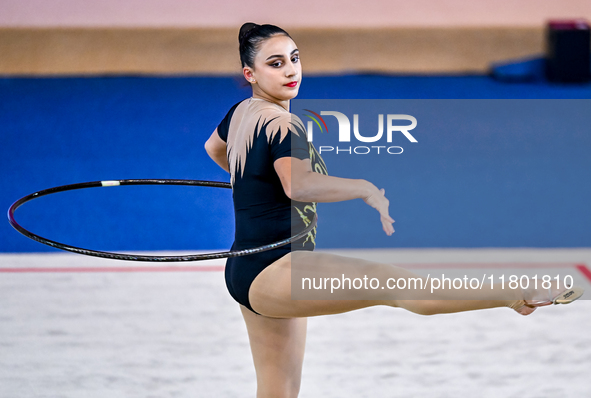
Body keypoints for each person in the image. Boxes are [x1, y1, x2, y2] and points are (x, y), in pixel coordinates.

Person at [204, 22, 584, 398]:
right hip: (277, 270)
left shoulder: (242, 112)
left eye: (294, 58)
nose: (290, 70)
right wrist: (363, 187)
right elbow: (298, 184)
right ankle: (515, 293)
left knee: (278, 392)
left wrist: (256, 186)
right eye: (275, 63)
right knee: (400, 285)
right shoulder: (286, 125)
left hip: (246, 268)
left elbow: (215, 149)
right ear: (250, 73)